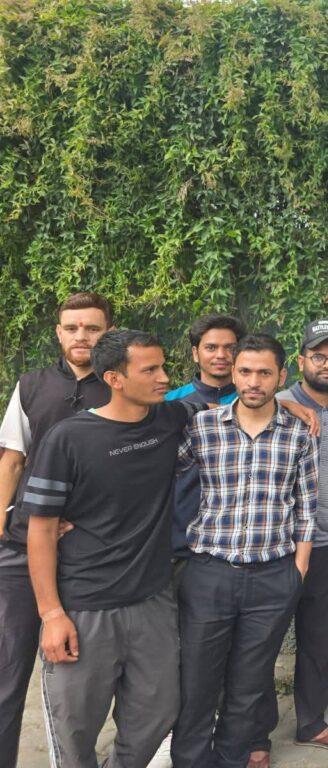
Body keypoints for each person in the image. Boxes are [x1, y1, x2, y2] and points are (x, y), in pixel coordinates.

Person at [25, 330, 202, 767]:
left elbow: (228, 408)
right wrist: (51, 614)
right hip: (84, 606)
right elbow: (41, 529)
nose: (165, 377)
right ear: (114, 379)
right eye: (151, 370)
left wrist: (291, 404)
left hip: (152, 601)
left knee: (159, 711)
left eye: (163, 366)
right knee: (74, 729)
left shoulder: (168, 418)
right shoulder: (69, 438)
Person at [171, 334, 323, 768]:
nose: (254, 382)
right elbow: (154, 473)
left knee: (248, 686)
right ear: (233, 374)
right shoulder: (202, 426)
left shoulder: (300, 433)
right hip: (209, 573)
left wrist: (297, 570)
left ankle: (232, 760)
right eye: (245, 372)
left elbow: (307, 507)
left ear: (281, 376)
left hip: (273, 577)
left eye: (264, 373)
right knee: (196, 683)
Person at [0, 291, 113, 766]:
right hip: (21, 547)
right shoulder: (31, 385)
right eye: (72, 327)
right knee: (7, 673)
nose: (81, 336)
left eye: (92, 328)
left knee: (81, 681)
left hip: (91, 553)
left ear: (108, 332)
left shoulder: (122, 388)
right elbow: (12, 459)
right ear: (59, 333)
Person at [248, 320, 328, 764]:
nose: (326, 364)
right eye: (318, 356)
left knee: (318, 639)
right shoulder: (272, 401)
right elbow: (240, 405)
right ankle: (256, 735)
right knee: (262, 641)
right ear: (300, 362)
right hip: (276, 545)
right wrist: (284, 403)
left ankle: (311, 721)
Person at [166, 314, 246, 560]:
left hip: (238, 543)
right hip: (180, 540)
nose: (221, 355)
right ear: (195, 353)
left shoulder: (257, 403)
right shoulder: (170, 403)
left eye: (230, 348)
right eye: (211, 347)